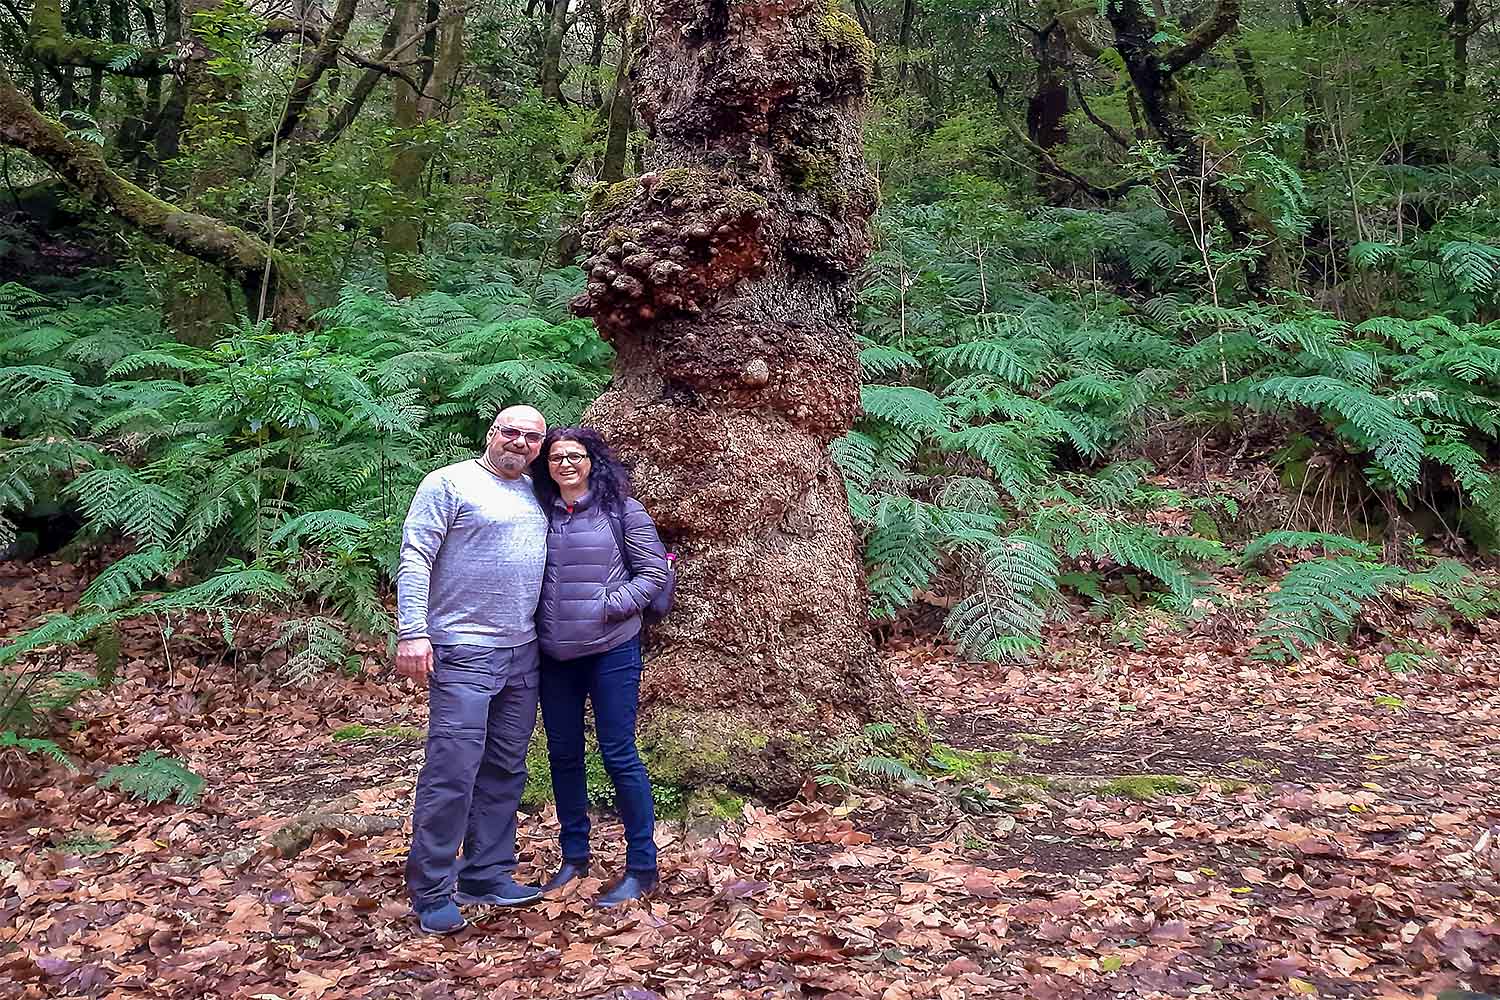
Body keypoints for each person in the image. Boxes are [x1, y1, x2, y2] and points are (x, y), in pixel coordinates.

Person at [395, 404, 549, 935]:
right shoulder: (449, 483)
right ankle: (432, 887)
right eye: (512, 431)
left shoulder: (537, 492)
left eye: (532, 437)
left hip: (523, 652)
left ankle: (487, 872)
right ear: (491, 433)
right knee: (452, 770)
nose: (521, 443)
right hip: (462, 649)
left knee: (506, 768)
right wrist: (413, 631)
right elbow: (416, 555)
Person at [530, 427, 669, 908]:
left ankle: (642, 865)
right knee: (563, 754)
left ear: (593, 461)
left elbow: (654, 573)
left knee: (618, 753)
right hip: (553, 654)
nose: (565, 464)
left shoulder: (621, 511)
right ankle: (574, 857)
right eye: (556, 457)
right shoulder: (538, 513)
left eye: (575, 455)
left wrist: (608, 605)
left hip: (612, 648)